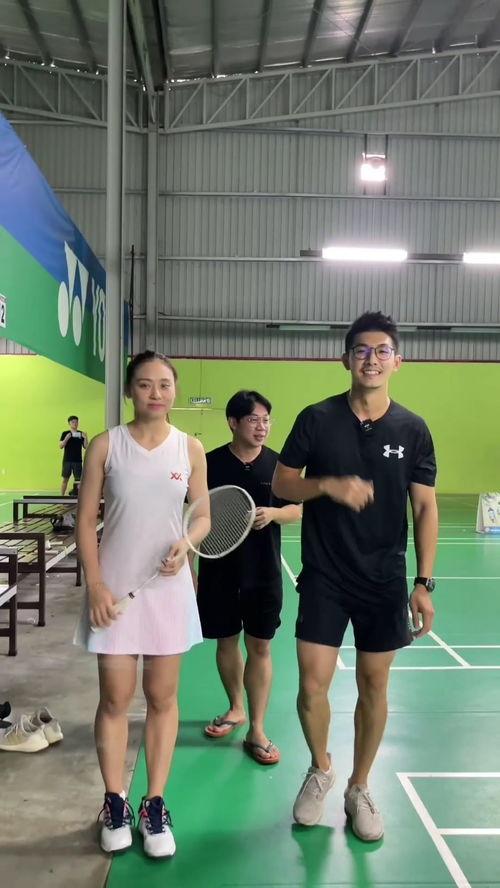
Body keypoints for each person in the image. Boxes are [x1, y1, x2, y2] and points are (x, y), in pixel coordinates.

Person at [272, 312, 438, 841]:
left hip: (384, 578)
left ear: (397, 361)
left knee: (374, 684)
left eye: (382, 350)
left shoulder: (413, 429)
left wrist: (423, 582)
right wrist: (327, 486)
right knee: (311, 686)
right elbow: (282, 483)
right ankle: (321, 768)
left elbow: (425, 508)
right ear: (345, 359)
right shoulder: (316, 419)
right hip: (325, 573)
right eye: (362, 350)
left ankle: (359, 786)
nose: (372, 359)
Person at [75, 351, 210, 858]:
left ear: (175, 390)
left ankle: (154, 804)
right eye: (145, 384)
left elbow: (202, 515)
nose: (156, 393)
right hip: (114, 592)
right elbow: (85, 520)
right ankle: (115, 803)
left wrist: (187, 543)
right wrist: (96, 586)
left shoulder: (189, 448)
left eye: (165, 384)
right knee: (114, 698)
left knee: (162, 697)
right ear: (130, 390)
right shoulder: (106, 445)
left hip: (168, 590)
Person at [196, 390, 301, 764]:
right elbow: (192, 515)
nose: (262, 427)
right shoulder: (208, 464)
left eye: (266, 420)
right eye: (254, 419)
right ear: (233, 422)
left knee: (260, 647)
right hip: (218, 571)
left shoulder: (278, 465)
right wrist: (190, 570)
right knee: (226, 643)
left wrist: (274, 515)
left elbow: (298, 509)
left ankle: (257, 728)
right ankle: (236, 708)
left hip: (263, 572)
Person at [59, 415, 88, 494]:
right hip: (67, 460)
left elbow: (86, 446)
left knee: (78, 481)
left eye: (76, 422)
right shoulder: (65, 433)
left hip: (78, 461)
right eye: (73, 422)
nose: (75, 423)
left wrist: (85, 438)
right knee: (65, 479)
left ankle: (78, 497)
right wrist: (66, 438)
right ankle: (61, 496)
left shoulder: (81, 433)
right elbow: (61, 446)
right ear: (69, 423)